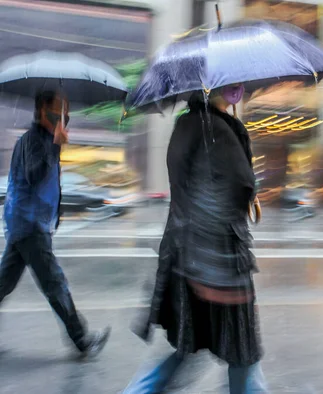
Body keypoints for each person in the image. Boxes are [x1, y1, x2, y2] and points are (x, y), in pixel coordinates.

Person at [124, 84, 268, 394]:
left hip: (185, 257)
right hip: (220, 263)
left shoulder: (187, 124)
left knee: (187, 350)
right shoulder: (218, 130)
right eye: (233, 86)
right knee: (242, 354)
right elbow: (240, 186)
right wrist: (249, 191)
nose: (238, 90)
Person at [0, 90, 111, 356]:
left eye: (67, 109)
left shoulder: (43, 139)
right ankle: (82, 340)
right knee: (55, 283)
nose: (65, 114)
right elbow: (34, 176)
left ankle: (81, 339)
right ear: (42, 110)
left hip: (26, 223)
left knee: (4, 282)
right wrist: (56, 145)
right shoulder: (34, 141)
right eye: (59, 108)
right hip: (29, 225)